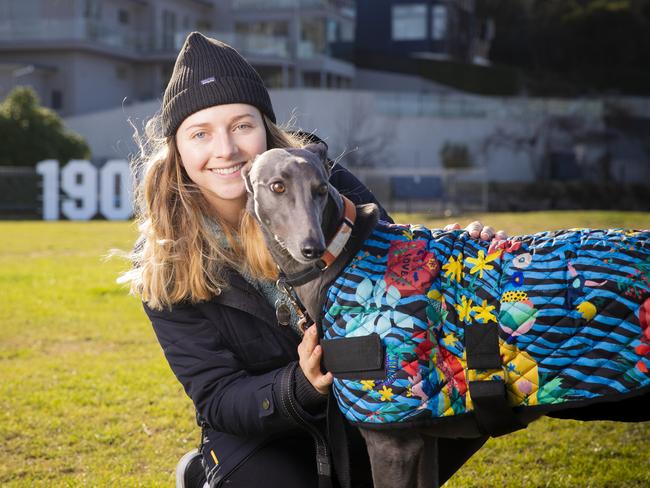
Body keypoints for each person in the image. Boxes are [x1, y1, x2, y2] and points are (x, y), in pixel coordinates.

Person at [122, 32, 497, 488]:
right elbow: (218, 397)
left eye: (242, 125)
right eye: (200, 133)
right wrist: (300, 384)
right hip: (266, 434)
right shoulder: (166, 261)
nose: (226, 149)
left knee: (478, 399)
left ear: (265, 129)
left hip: (367, 400)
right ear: (177, 149)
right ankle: (203, 475)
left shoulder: (322, 182)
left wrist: (465, 256)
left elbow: (405, 281)